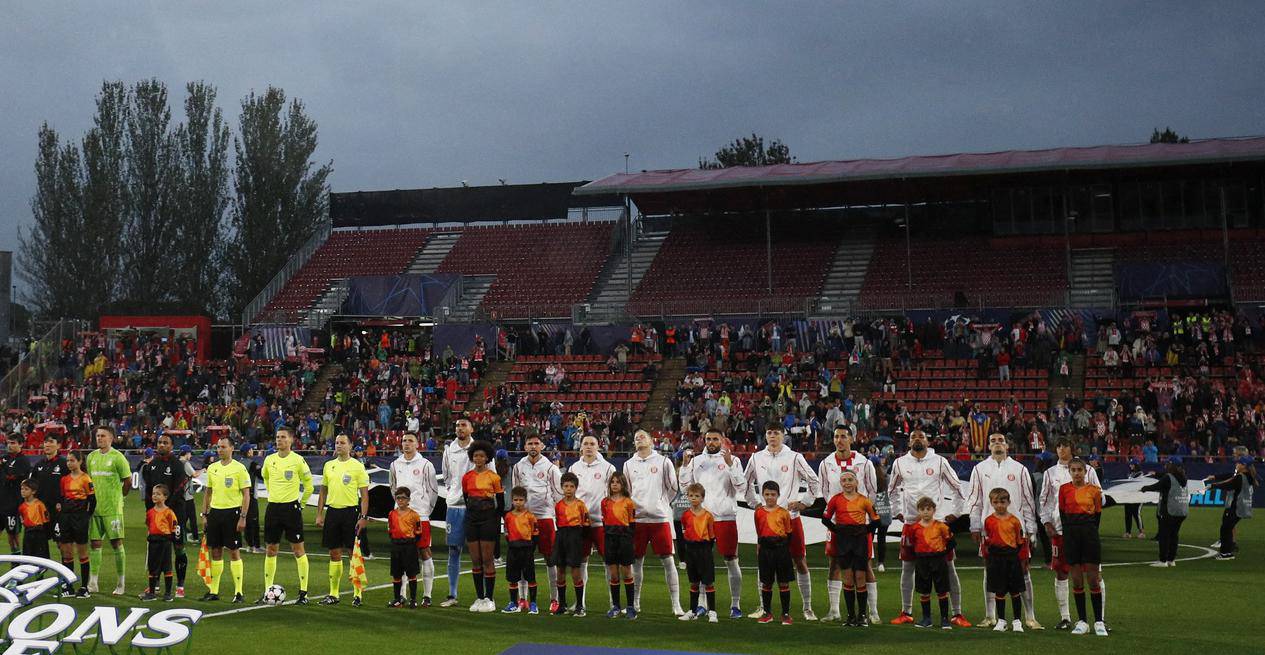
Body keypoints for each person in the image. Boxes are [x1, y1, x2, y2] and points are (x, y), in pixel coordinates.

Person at [887, 429, 969, 627]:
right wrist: (897, 511)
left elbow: (957, 487)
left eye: (921, 436)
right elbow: (891, 491)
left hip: (936, 524)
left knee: (949, 567)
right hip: (911, 524)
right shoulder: (900, 463)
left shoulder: (939, 461)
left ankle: (957, 613)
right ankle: (906, 611)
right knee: (908, 568)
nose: (917, 439)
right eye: (913, 437)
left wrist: (956, 512)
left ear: (928, 441)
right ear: (908, 443)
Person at [744, 426, 821, 620]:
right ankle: (763, 607)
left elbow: (814, 481)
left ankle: (807, 607)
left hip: (791, 518)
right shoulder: (756, 458)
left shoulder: (795, 457)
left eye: (776, 433)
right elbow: (744, 483)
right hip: (766, 520)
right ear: (765, 435)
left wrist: (805, 503)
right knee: (763, 563)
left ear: (783, 436)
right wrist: (755, 504)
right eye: (769, 432)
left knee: (800, 561)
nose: (772, 436)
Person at [965, 433, 1040, 629]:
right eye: (993, 441)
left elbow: (1028, 501)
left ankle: (1030, 617)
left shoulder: (1020, 469)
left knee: (1024, 572)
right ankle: (990, 615)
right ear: (988, 446)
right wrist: (974, 525)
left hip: (1016, 530)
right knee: (989, 571)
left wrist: (1031, 529)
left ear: (1007, 445)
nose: (997, 444)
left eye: (1001, 441)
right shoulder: (979, 469)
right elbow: (975, 500)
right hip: (989, 530)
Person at [678, 428, 745, 619]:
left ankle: (735, 604)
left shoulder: (734, 460)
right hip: (701, 518)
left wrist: (730, 464)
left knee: (731, 560)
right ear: (704, 440)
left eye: (715, 439)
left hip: (725, 517)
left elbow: (741, 487)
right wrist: (684, 466)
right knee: (700, 563)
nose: (711, 442)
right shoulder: (696, 461)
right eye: (708, 439)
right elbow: (685, 488)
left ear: (723, 440)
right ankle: (701, 605)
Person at [815, 426, 879, 623]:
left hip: (860, 525)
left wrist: (860, 516)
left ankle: (873, 611)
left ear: (851, 438)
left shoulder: (864, 463)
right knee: (834, 563)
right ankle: (834, 610)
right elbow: (824, 491)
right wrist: (836, 514)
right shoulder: (826, 464)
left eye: (843, 436)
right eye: (836, 436)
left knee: (865, 565)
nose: (839, 440)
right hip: (837, 524)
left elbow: (872, 491)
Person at [1040, 437, 1104, 630]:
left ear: (1072, 447)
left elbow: (1100, 498)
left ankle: (1100, 618)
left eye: (1065, 446)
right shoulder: (1049, 473)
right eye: (1058, 446)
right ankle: (1066, 617)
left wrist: (1091, 522)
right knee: (1062, 572)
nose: (1061, 449)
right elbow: (1044, 500)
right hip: (1061, 530)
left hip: (1086, 531)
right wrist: (1046, 522)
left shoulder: (1090, 471)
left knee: (1095, 574)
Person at [624, 429, 684, 616]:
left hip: (659, 519)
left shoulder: (664, 462)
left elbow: (673, 488)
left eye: (642, 436)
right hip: (638, 520)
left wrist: (660, 503)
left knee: (668, 561)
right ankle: (635, 602)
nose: (639, 439)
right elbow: (628, 490)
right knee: (636, 563)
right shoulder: (628, 464)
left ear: (651, 440)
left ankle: (676, 604)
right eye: (636, 437)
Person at [259, 427, 314, 605]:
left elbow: (309, 486)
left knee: (298, 551)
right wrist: (273, 494)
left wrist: (301, 504)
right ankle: (267, 591)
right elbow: (266, 478)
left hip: (291, 509)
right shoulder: (269, 460)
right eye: (277, 437)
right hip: (273, 509)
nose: (279, 440)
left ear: (290, 440)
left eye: (283, 437)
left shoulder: (298, 460)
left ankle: (303, 593)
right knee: (270, 549)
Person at [316, 434, 370, 606]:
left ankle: (357, 594)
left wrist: (363, 516)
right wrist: (319, 514)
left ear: (350, 446)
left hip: (350, 513)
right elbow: (323, 491)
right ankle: (334, 593)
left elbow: (364, 496)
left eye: (343, 443)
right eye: (337, 443)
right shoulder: (328, 465)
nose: (339, 445)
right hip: (333, 512)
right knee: (334, 553)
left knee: (353, 553)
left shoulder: (357, 466)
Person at [821, 470, 879, 627]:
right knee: (847, 577)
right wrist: (837, 530)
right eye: (844, 480)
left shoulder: (864, 500)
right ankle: (850, 616)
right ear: (841, 483)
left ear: (856, 482)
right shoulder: (835, 500)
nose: (847, 483)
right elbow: (825, 518)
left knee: (860, 577)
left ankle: (862, 616)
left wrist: (865, 531)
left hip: (860, 541)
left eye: (850, 479)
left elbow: (876, 520)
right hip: (843, 542)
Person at [511, 433, 562, 611]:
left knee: (550, 558)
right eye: (530, 443)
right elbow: (516, 493)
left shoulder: (550, 468)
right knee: (523, 559)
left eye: (536, 443)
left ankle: (554, 599)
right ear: (525, 447)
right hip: (525, 519)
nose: (533, 446)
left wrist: (559, 518)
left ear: (542, 446)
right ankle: (522, 598)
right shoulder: (518, 467)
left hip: (546, 517)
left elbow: (558, 495)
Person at [1058, 459, 1107, 636]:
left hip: (1089, 535)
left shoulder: (1094, 491)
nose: (1077, 473)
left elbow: (1098, 515)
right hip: (1071, 536)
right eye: (1073, 470)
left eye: (1080, 470)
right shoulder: (1064, 489)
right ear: (1069, 471)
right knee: (1077, 579)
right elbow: (1063, 514)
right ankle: (1083, 621)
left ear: (1085, 472)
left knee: (1093, 579)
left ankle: (1099, 622)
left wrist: (1089, 532)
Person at [389, 432, 438, 606]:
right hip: (401, 517)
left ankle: (427, 595)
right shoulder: (395, 465)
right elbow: (393, 488)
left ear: (418, 444)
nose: (407, 443)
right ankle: (401, 595)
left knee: (424, 552)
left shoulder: (426, 464)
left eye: (410, 441)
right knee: (401, 555)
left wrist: (425, 510)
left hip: (421, 515)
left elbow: (433, 490)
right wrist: (400, 508)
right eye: (404, 441)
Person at [140, 434, 191, 598]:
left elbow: (178, 489)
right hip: (156, 517)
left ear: (171, 446)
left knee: (178, 548)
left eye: (165, 443)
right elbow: (149, 491)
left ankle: (180, 584)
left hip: (175, 514)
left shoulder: (177, 465)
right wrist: (152, 512)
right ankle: (154, 586)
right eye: (160, 442)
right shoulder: (152, 465)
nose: (162, 445)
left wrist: (166, 509)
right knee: (156, 550)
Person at [200, 437, 250, 603]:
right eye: (218, 447)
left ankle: (238, 592)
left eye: (223, 447)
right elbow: (207, 492)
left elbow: (246, 495)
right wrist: (204, 514)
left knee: (234, 551)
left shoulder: (240, 468)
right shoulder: (212, 468)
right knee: (215, 551)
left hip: (232, 514)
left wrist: (243, 517)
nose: (220, 450)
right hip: (215, 513)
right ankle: (214, 591)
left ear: (231, 448)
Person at [568, 434, 615, 613]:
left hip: (602, 522)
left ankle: (613, 602)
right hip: (580, 524)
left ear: (598, 446)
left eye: (592, 444)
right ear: (581, 447)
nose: (588, 446)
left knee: (608, 562)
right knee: (581, 562)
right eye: (585, 443)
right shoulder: (574, 467)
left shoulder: (607, 468)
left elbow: (613, 494)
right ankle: (580, 602)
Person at [85, 426, 132, 595]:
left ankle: (121, 583)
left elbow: (127, 481)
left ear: (111, 438)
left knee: (116, 543)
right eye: (97, 435)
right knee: (95, 543)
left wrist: (121, 498)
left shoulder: (118, 458)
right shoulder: (91, 457)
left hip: (113, 508)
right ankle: (93, 582)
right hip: (95, 509)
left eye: (103, 435)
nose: (99, 438)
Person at [461, 439, 503, 613]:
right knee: (475, 560)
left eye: (482, 456)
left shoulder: (494, 477)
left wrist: (494, 520)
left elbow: (500, 503)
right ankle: (479, 598)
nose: (478, 458)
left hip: (488, 519)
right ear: (472, 457)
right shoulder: (467, 477)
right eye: (476, 455)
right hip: (471, 519)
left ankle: (489, 598)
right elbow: (466, 498)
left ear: (487, 458)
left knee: (487, 560)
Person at [439, 419, 476, 607]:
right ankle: (452, 595)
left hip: (475, 506)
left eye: (464, 425)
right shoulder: (449, 450)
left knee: (478, 551)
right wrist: (454, 492)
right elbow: (446, 476)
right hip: (455, 506)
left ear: (471, 429)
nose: (460, 428)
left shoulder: (478, 448)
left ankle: (483, 596)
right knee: (454, 549)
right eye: (457, 426)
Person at [982, 488, 1026, 633]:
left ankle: (1017, 621)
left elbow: (1020, 542)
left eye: (1002, 501)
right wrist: (987, 560)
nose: (999, 505)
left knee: (1015, 590)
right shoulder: (988, 521)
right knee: (999, 591)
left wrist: (1023, 561)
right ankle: (1001, 620)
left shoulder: (1014, 521)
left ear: (1008, 502)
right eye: (996, 502)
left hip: (1012, 558)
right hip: (995, 559)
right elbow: (986, 542)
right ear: (991, 503)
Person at [907, 496, 954, 630]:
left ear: (934, 510)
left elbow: (951, 542)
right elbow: (912, 543)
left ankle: (945, 619)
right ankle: (926, 619)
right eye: (922, 509)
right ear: (918, 511)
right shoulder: (914, 528)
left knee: (942, 590)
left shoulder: (941, 526)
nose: (926, 512)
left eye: (928, 509)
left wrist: (941, 553)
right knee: (924, 591)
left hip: (938, 560)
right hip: (922, 561)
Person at [754, 480, 794, 625]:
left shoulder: (784, 513)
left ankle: (785, 614)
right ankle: (767, 613)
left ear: (778, 495)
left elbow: (789, 533)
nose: (770, 497)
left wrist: (782, 547)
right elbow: (759, 531)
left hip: (781, 550)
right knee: (766, 582)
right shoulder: (758, 512)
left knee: (783, 582)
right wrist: (760, 546)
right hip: (765, 551)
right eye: (767, 494)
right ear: (762, 495)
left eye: (773, 494)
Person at [677, 483, 717, 623]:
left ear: (702, 498)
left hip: (704, 550)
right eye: (691, 496)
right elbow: (684, 534)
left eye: (697, 496)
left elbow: (712, 537)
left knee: (708, 582)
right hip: (691, 551)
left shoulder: (708, 516)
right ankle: (692, 611)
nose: (693, 498)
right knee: (694, 582)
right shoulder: (685, 515)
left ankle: (712, 611)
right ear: (687, 497)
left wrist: (706, 549)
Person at [1204, 456, 1257, 560]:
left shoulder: (1240, 477)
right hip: (1243, 507)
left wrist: (1213, 486)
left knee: (1225, 529)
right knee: (1228, 528)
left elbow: (1228, 484)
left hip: (1236, 507)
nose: (1236, 465)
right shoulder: (1249, 477)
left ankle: (1225, 553)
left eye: (1239, 463)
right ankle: (1228, 552)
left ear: (1244, 466)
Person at [553, 471, 590, 616]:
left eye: (571, 486)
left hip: (575, 537)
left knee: (575, 571)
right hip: (561, 536)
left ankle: (580, 605)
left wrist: (582, 540)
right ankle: (562, 604)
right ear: (562, 487)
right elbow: (557, 521)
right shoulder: (558, 505)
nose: (568, 489)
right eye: (566, 486)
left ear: (576, 488)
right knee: (560, 571)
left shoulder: (580, 505)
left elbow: (586, 524)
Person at [1141, 456, 1189, 567]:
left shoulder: (1168, 477)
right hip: (1181, 511)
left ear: (1171, 465)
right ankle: (1171, 560)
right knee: (1174, 535)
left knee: (1164, 535)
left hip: (1169, 510)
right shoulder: (1184, 477)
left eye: (1167, 464)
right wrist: (1157, 474)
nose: (1165, 466)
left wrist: (1145, 488)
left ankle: (1162, 560)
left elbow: (1157, 486)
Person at [58, 450, 94, 597]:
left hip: (80, 518)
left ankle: (84, 587)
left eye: (72, 460)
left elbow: (93, 501)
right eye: (67, 460)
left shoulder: (86, 479)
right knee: (66, 553)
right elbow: (61, 498)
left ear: (80, 461)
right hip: (66, 518)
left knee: (82, 553)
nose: (69, 463)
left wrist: (86, 516)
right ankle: (68, 586)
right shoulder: (64, 479)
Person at [601, 472, 637, 619]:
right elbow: (604, 520)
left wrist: (627, 539)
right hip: (610, 539)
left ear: (623, 485)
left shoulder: (629, 502)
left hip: (624, 539)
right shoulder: (605, 502)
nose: (614, 484)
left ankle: (630, 607)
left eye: (618, 482)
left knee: (627, 572)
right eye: (612, 482)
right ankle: (615, 606)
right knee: (614, 573)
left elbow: (632, 523)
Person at [502, 486, 539, 613]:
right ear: (512, 500)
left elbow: (535, 534)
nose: (518, 502)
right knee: (512, 578)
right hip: (513, 550)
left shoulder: (530, 516)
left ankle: (533, 604)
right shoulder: (508, 516)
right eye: (516, 500)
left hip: (527, 550)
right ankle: (513, 602)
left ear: (525, 500)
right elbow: (506, 533)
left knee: (530, 577)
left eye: (521, 500)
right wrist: (513, 544)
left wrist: (531, 548)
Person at [29, 435, 68, 556]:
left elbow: (70, 485)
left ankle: (65, 573)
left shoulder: (64, 464)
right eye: (45, 441)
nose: (47, 444)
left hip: (58, 511)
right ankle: (41, 573)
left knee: (62, 543)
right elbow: (31, 486)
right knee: (40, 544)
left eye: (51, 442)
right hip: (41, 511)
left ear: (59, 445)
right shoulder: (38, 464)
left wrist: (63, 503)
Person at [141, 484, 179, 602]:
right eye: (153, 494)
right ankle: (151, 593)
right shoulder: (150, 512)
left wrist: (172, 540)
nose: (155, 496)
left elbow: (174, 527)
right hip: (153, 542)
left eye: (158, 494)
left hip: (165, 542)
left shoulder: (169, 512)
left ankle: (168, 593)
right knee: (153, 567)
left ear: (165, 497)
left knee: (166, 566)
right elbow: (149, 524)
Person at [387, 487, 424, 608]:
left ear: (408, 500)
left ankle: (413, 599)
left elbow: (419, 532)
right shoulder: (392, 514)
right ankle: (397, 599)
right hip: (396, 546)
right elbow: (390, 530)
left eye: (403, 498)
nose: (400, 500)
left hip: (409, 546)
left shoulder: (414, 515)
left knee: (411, 573)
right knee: (396, 574)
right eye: (398, 498)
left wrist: (411, 542)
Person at [2, 434, 32, 559]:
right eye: (8, 442)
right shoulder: (5, 458)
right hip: (1, 502)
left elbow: (11, 477)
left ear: (21, 444)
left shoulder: (23, 461)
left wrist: (3, 468)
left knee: (13, 536)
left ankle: (16, 564)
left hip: (13, 505)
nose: (10, 445)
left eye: (13, 443)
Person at [18, 480, 50, 561]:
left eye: (26, 489)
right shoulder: (21, 507)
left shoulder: (39, 504)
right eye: (22, 489)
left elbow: (46, 520)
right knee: (28, 558)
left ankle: (40, 573)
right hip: (28, 534)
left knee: (40, 558)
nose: (23, 491)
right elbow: (22, 520)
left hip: (39, 534)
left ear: (33, 491)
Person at [241, 444, 264, 552]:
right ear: (248, 451)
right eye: (251, 450)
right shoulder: (252, 464)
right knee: (254, 521)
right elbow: (262, 475)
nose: (252, 451)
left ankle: (249, 545)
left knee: (245, 519)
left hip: (240, 496)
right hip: (250, 495)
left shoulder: (238, 463)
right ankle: (256, 546)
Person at [1123, 459, 1146, 539]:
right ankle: (1128, 532)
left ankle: (1142, 531)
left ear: (1136, 465)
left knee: (1136, 513)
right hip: (1129, 496)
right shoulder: (1131, 474)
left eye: (1132, 464)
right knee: (1128, 514)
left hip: (1138, 496)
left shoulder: (1140, 474)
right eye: (1130, 464)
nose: (1130, 466)